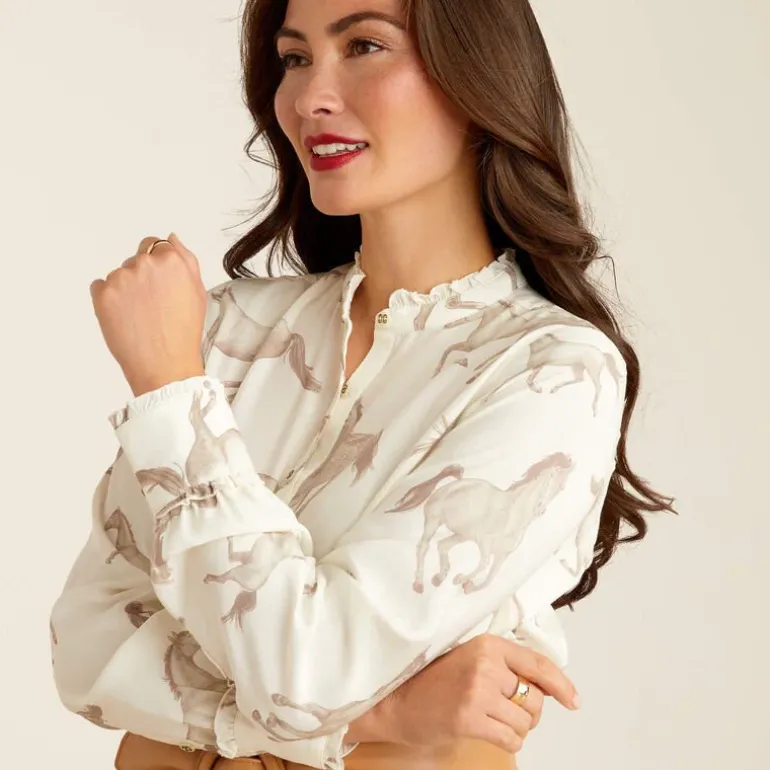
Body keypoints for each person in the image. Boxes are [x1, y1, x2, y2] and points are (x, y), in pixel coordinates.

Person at [50, 1, 677, 769]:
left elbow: (303, 677)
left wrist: (174, 396)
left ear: (479, 77)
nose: (311, 96)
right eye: (295, 58)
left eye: (365, 45)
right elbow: (88, 651)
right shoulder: (228, 329)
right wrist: (377, 715)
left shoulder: (551, 370)